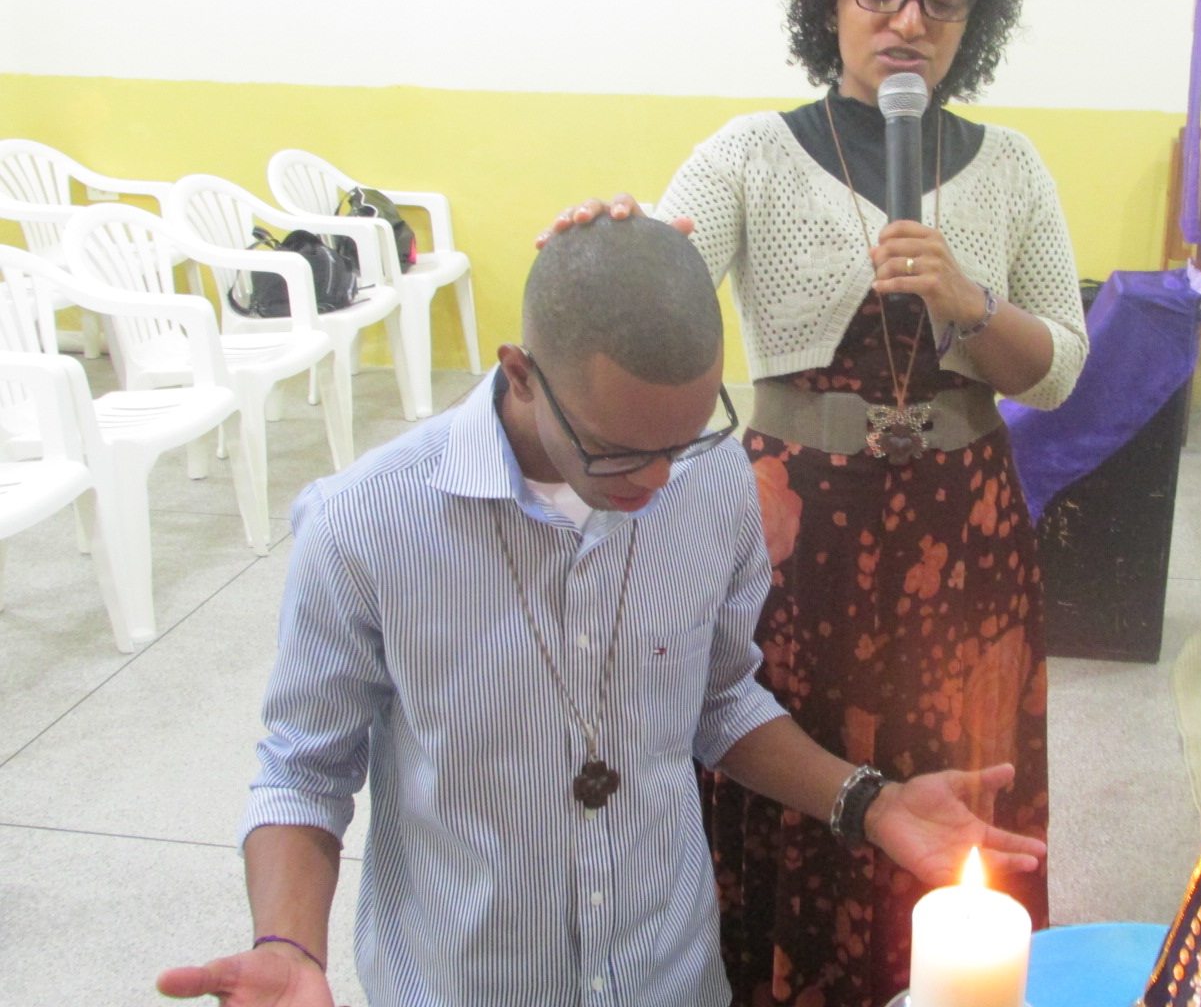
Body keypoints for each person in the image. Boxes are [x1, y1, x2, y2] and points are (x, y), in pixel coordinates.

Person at [154, 215, 1045, 1007]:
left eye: (683, 440)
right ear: (520, 375)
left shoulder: (714, 481)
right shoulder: (365, 523)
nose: (657, 481)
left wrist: (870, 804)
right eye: (617, 452)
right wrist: (287, 946)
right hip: (467, 982)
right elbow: (303, 771)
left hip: (668, 972)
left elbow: (719, 697)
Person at [549, 0, 1088, 1007]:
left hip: (964, 538)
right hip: (792, 529)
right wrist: (612, 250)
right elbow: (660, 294)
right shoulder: (751, 150)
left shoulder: (1010, 166)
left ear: (973, 18)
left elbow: (1058, 369)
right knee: (797, 763)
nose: (907, 22)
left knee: (957, 770)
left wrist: (969, 304)